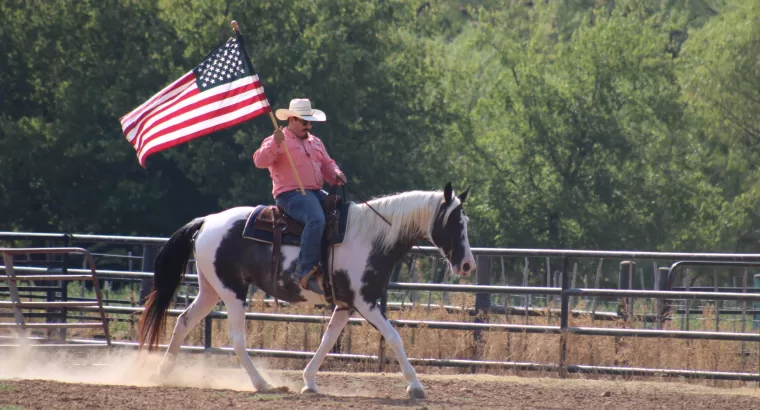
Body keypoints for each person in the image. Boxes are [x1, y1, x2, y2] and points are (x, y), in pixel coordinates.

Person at [253, 98, 346, 295]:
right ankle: (303, 271)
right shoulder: (277, 139)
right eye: (305, 122)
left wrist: (336, 173)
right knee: (316, 219)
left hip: (314, 192)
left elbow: (327, 164)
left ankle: (333, 267)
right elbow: (260, 161)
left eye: (310, 122)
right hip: (290, 194)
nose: (308, 126)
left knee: (344, 213)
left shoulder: (316, 142)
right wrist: (274, 145)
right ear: (292, 119)